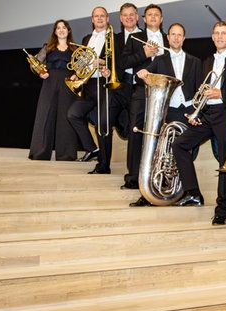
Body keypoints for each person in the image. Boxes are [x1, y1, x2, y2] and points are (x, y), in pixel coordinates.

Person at [131, 22, 202, 207]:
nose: (176, 38)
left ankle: (185, 192)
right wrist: (143, 74)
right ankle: (150, 193)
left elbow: (201, 90)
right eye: (173, 35)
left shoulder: (195, 61)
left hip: (187, 111)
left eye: (180, 35)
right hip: (167, 110)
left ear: (184, 38)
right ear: (168, 38)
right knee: (158, 150)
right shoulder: (160, 61)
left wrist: (197, 112)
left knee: (183, 152)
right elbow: (141, 77)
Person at [171, 21, 226, 213]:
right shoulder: (206, 61)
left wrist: (221, 93)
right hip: (207, 114)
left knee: (225, 160)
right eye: (216, 33)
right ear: (213, 37)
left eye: (224, 33)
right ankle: (193, 193)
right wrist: (197, 111)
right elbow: (201, 89)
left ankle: (223, 209)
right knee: (179, 145)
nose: (220, 37)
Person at [67, 6, 122, 174]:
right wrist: (77, 74)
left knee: (102, 126)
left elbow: (118, 60)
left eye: (102, 16)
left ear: (107, 19)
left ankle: (104, 165)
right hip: (88, 84)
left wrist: (104, 64)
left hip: (103, 83)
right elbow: (83, 60)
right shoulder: (86, 38)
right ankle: (92, 149)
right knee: (73, 114)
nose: (99, 19)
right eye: (96, 16)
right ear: (92, 19)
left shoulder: (115, 38)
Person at [119, 4, 168, 190]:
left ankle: (159, 176)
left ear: (161, 19)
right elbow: (123, 63)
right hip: (140, 91)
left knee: (160, 134)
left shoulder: (168, 38)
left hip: (163, 93)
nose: (153, 17)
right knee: (136, 131)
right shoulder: (134, 38)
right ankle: (132, 176)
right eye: (150, 15)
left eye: (157, 14)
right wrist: (143, 53)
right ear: (144, 19)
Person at [28, 20, 79, 161]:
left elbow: (82, 67)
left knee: (65, 118)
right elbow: (35, 64)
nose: (61, 30)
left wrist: (77, 75)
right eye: (58, 28)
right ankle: (40, 153)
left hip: (68, 83)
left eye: (64, 28)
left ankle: (66, 154)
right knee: (45, 116)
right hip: (49, 82)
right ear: (55, 31)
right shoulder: (48, 47)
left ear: (68, 31)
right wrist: (40, 72)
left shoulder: (75, 48)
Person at [113, 2, 142, 140]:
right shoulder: (114, 38)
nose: (128, 17)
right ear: (120, 18)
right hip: (120, 87)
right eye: (125, 15)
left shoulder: (146, 36)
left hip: (139, 85)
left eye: (131, 14)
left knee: (137, 125)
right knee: (120, 123)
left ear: (137, 17)